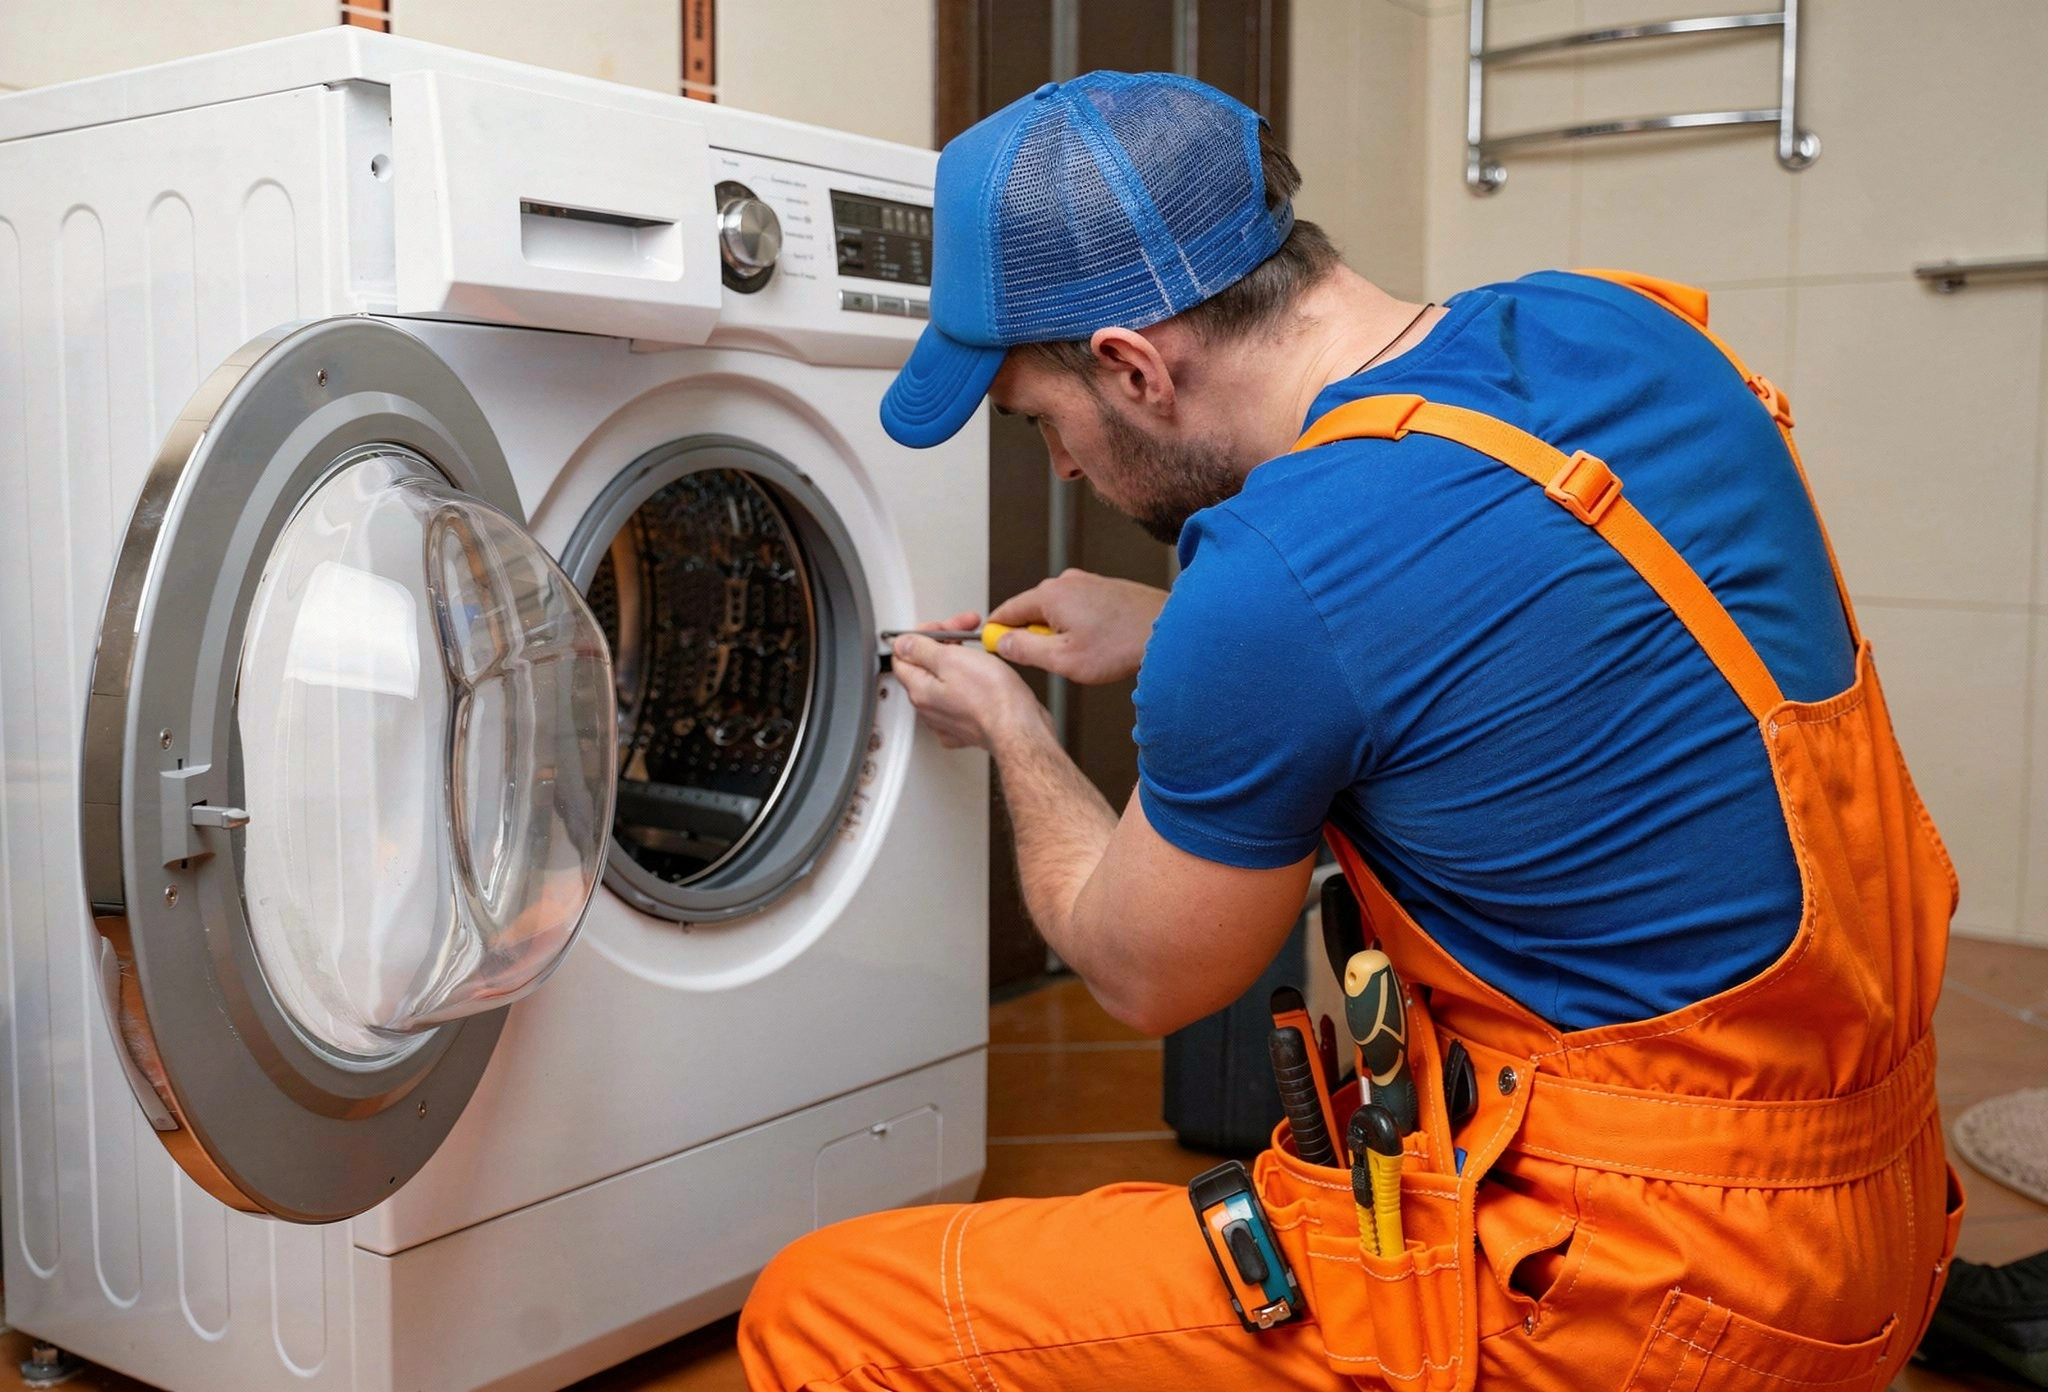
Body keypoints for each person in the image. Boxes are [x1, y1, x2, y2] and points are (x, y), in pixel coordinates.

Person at [739, 71, 1960, 1391]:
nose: (1062, 469)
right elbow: (1533, 635)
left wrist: (1014, 731)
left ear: (1134, 367)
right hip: (1878, 1221)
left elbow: (1142, 976)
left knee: (820, 1312)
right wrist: (1173, 629)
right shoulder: (1618, 330)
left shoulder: (1274, 578)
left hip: (1635, 1295)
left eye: (1043, 422)